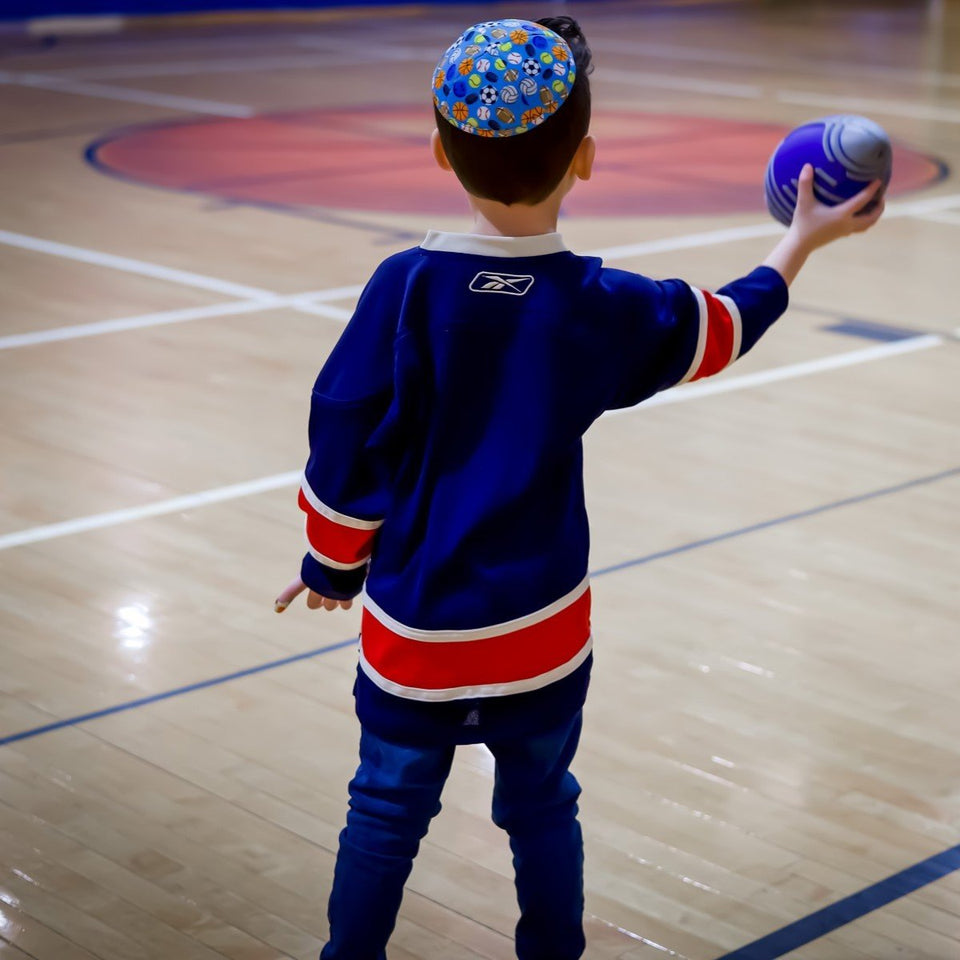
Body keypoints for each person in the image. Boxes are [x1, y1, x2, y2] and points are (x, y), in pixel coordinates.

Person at [275, 16, 884, 960]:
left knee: (384, 810)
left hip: (417, 630)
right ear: (587, 159)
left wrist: (331, 562)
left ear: (440, 150)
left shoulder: (403, 287)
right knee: (543, 809)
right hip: (542, 632)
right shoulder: (602, 307)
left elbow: (345, 430)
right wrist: (798, 244)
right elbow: (721, 327)